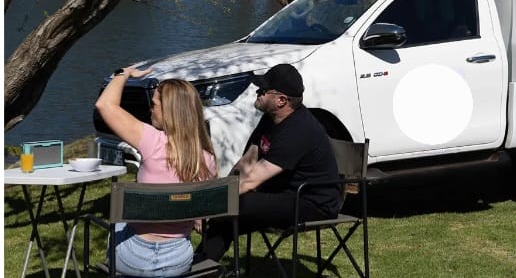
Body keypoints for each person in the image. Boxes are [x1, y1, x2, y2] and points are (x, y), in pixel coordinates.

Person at [200, 63, 342, 261]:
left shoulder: (298, 131)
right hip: (284, 194)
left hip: (313, 203)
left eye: (263, 90)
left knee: (235, 204)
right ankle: (201, 267)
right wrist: (216, 194)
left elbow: (251, 181)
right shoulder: (270, 119)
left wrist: (210, 205)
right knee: (225, 213)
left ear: (281, 100)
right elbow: (246, 164)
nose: (257, 93)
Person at [95, 66, 218, 277]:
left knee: (120, 221)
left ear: (168, 111)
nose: (150, 110)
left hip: (131, 259)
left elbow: (104, 104)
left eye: (153, 105)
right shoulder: (208, 160)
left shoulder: (152, 141)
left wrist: (122, 74)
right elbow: (202, 212)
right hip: (177, 261)